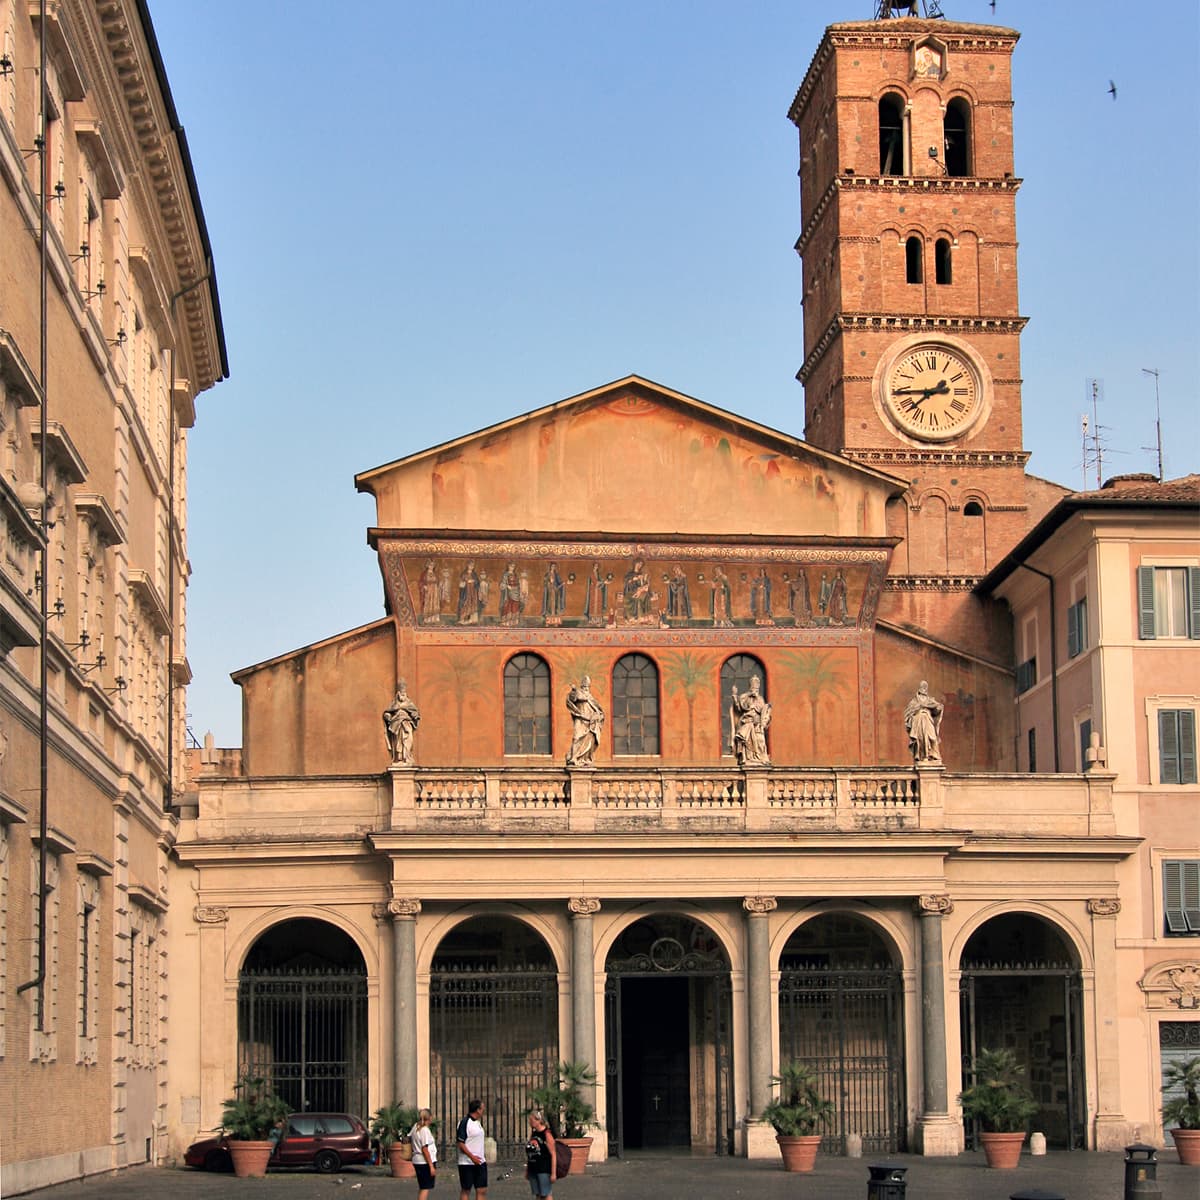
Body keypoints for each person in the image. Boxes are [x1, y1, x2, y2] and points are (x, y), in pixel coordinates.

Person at [730, 675, 771, 766]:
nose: (755, 690)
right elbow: (739, 707)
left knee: (760, 741)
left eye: (756, 688)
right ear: (750, 686)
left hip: (757, 724)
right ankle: (748, 758)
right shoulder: (745, 696)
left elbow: (763, 711)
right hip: (747, 722)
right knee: (746, 740)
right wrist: (735, 696)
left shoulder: (760, 698)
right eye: (753, 687)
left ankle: (759, 757)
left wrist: (757, 701)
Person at [565, 676, 605, 767]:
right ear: (582, 687)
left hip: (590, 722)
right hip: (580, 719)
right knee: (577, 737)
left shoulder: (590, 698)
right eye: (584, 687)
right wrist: (574, 691)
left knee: (589, 740)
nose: (586, 688)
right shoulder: (577, 693)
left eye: (587, 687)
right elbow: (573, 699)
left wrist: (598, 716)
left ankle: (585, 759)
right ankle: (573, 758)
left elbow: (598, 709)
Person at [904, 680, 944, 763]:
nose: (924, 688)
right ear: (920, 688)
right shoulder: (914, 701)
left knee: (932, 737)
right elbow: (908, 712)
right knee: (920, 738)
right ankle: (922, 756)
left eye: (925, 687)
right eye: (923, 686)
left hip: (928, 719)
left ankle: (933, 755)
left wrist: (938, 707)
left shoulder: (930, 700)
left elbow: (937, 710)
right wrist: (918, 708)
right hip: (918, 720)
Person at [456, 1098, 487, 1200]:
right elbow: (461, 1143)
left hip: (480, 1162)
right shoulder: (464, 1122)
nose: (484, 1110)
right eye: (482, 1108)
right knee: (466, 1190)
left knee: (482, 1189)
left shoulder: (477, 1123)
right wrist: (472, 1157)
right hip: (467, 1163)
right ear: (478, 1110)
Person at [383, 682, 420, 764]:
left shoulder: (409, 704)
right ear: (398, 694)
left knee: (408, 737)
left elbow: (415, 712)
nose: (402, 696)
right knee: (398, 741)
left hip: (406, 723)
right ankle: (399, 757)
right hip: (396, 724)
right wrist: (387, 716)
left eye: (403, 694)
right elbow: (387, 712)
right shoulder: (394, 704)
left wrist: (415, 715)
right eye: (400, 694)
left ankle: (407, 756)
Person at [523, 1109, 556, 1200]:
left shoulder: (546, 1134)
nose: (530, 1122)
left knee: (546, 1194)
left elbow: (553, 1154)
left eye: (531, 1120)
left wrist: (553, 1173)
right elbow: (530, 1153)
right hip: (533, 1168)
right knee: (538, 1194)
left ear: (538, 1120)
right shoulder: (534, 1133)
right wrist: (527, 1169)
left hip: (543, 1168)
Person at [410, 1108, 437, 1199]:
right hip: (424, 1161)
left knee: (422, 1187)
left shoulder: (415, 1127)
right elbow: (424, 1148)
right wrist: (431, 1166)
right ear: (430, 1117)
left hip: (417, 1160)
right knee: (425, 1188)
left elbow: (408, 1137)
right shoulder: (424, 1130)